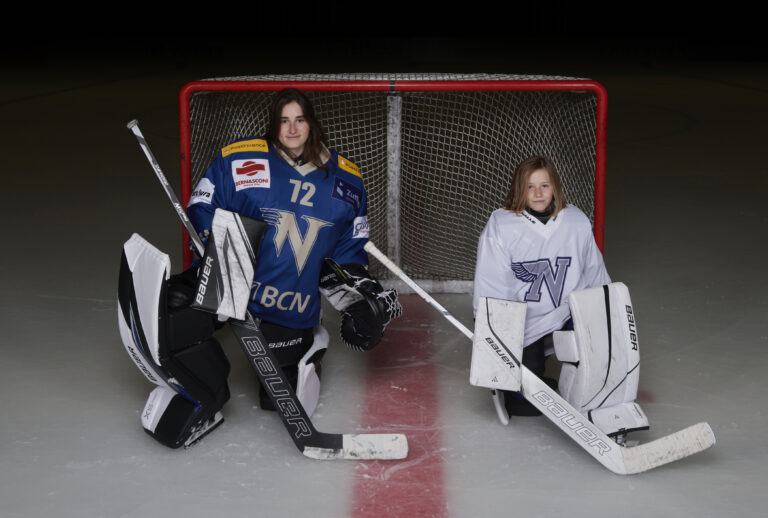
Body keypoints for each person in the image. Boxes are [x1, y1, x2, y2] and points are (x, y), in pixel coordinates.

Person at [120, 88, 401, 449]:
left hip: (289, 298)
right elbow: (202, 206)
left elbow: (347, 252)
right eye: (284, 121)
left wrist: (359, 299)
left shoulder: (347, 181)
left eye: (299, 120)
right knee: (172, 316)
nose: (292, 129)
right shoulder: (239, 159)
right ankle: (202, 395)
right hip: (228, 276)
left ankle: (311, 346)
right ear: (273, 124)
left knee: (277, 398)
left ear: (312, 123)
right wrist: (211, 241)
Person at [473, 155, 610, 417]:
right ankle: (530, 373)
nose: (538, 193)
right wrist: (490, 325)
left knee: (594, 363)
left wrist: (605, 306)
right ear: (519, 189)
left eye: (544, 186)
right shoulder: (502, 225)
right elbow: (491, 281)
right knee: (524, 404)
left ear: (555, 186)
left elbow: (593, 269)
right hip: (526, 321)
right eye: (530, 187)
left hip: (567, 312)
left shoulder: (576, 221)